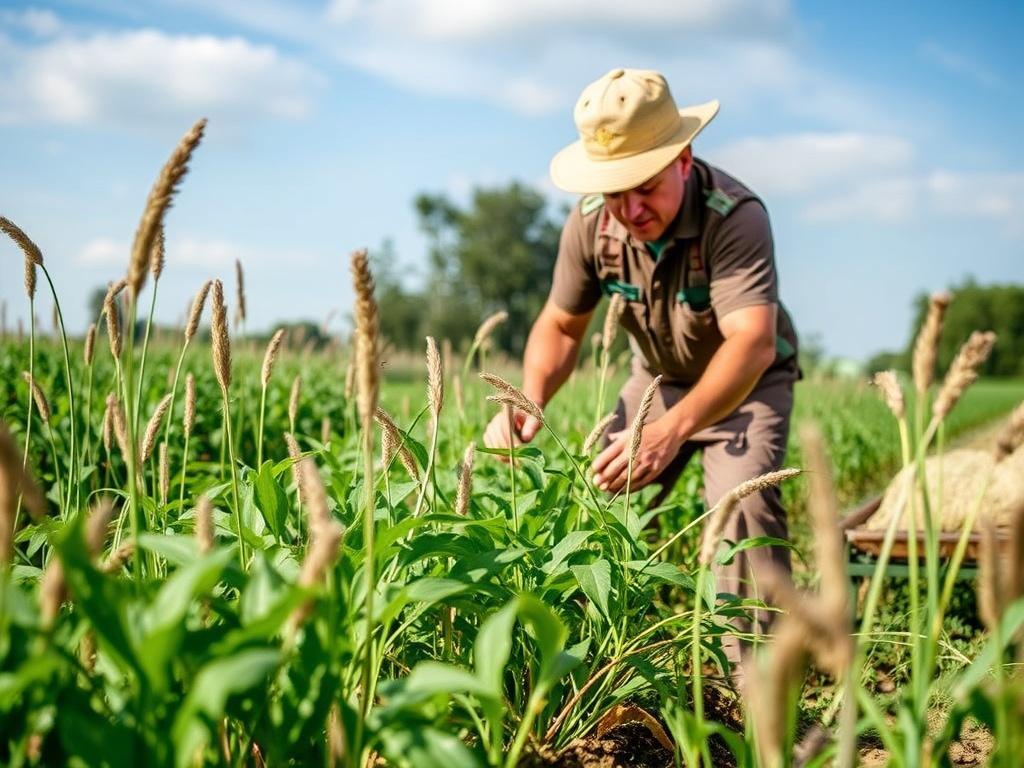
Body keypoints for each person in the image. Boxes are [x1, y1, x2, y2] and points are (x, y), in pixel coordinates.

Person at [482, 67, 801, 672]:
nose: (630, 208)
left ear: (683, 157)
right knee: (595, 501)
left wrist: (670, 431)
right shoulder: (591, 222)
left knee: (742, 513)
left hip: (747, 384)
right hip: (656, 377)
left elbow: (752, 343)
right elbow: (559, 324)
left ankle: (759, 686)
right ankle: (607, 664)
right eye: (615, 189)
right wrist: (529, 399)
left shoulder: (733, 216)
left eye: (644, 186)